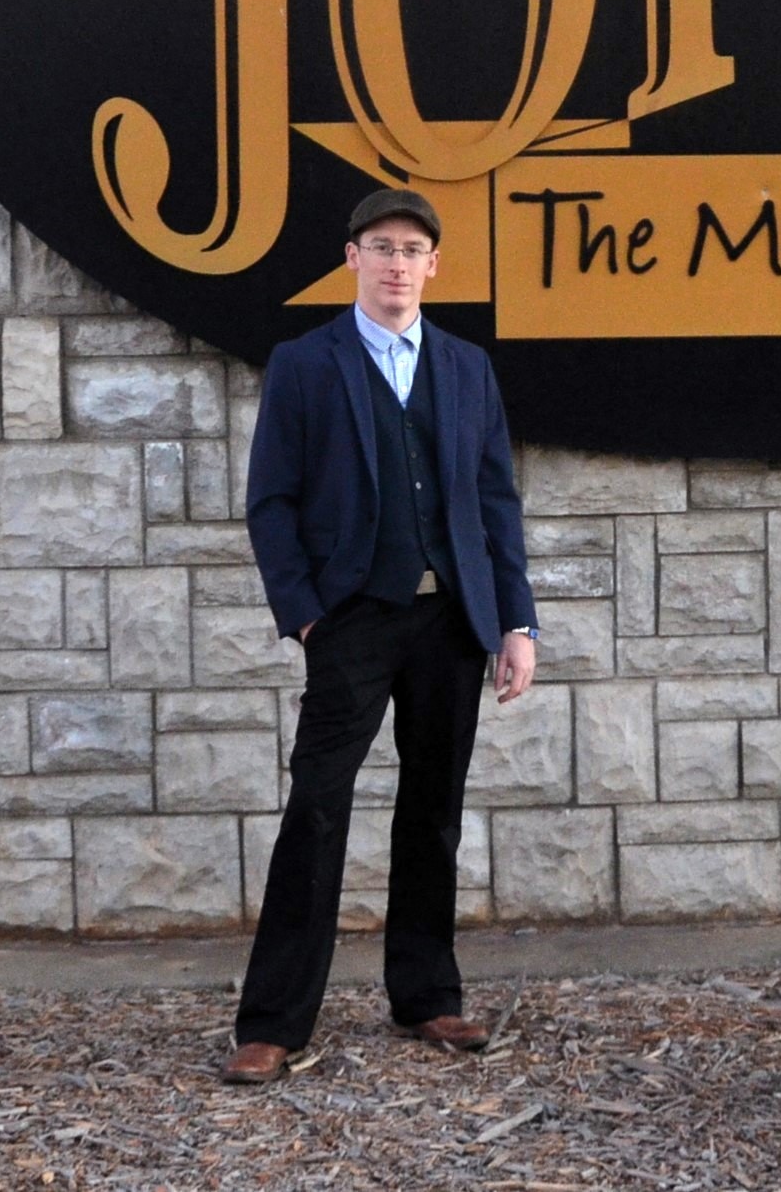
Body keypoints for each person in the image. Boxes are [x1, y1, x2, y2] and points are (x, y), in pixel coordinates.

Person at [222, 186, 539, 1081]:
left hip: (450, 621)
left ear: (433, 264)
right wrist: (308, 611)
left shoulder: (466, 367)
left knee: (432, 808)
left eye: (412, 248)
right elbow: (270, 500)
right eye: (380, 246)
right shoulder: (304, 361)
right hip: (352, 619)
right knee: (317, 807)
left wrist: (515, 621)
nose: (397, 262)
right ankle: (274, 1021)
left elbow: (492, 504)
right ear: (352, 258)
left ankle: (427, 995)